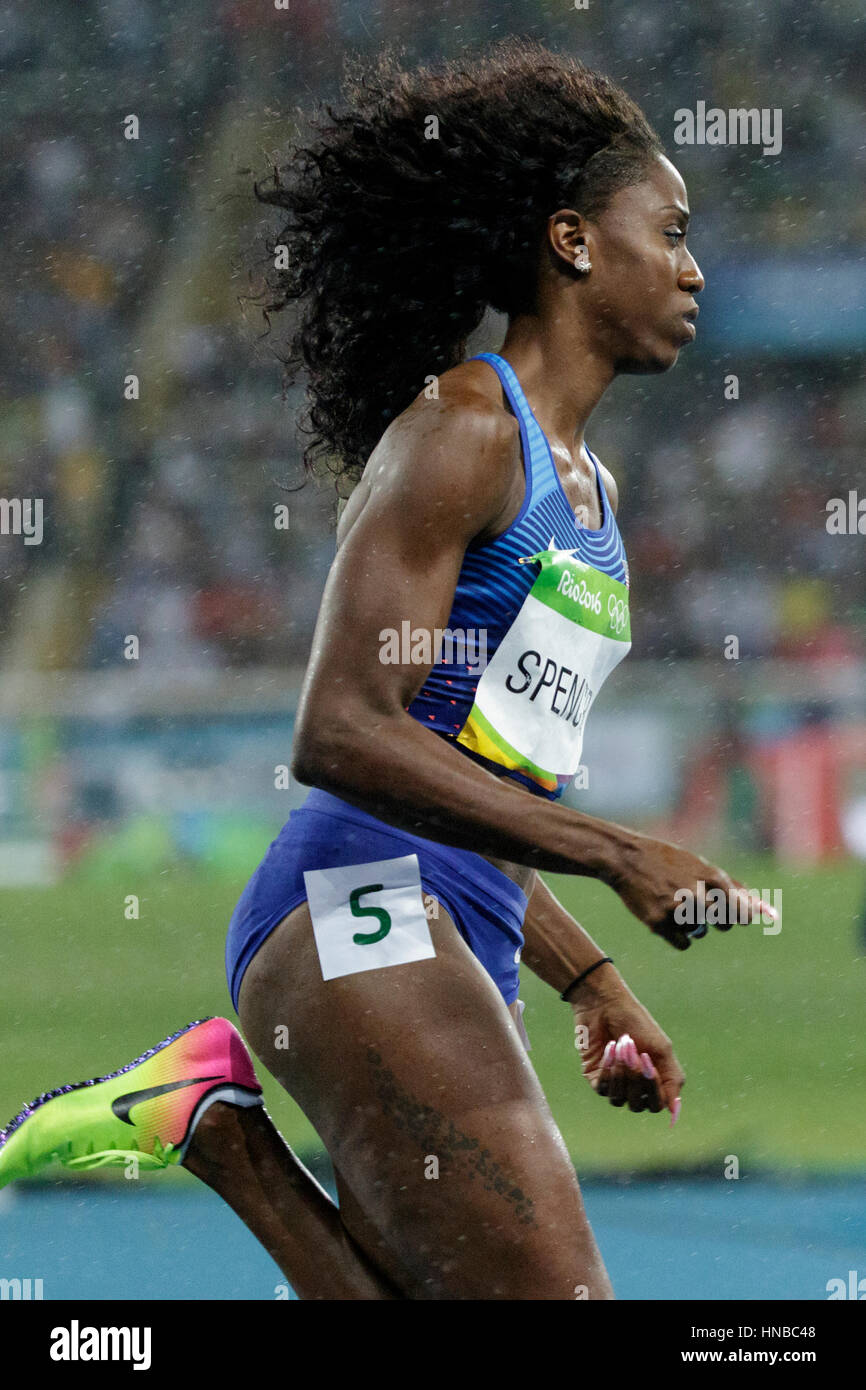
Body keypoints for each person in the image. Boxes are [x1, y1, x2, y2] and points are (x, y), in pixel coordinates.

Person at [0, 40, 774, 1300]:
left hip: (449, 912)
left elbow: (472, 777)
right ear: (572, 242)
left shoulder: (598, 493)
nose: (692, 268)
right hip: (355, 896)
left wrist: (589, 977)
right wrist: (621, 854)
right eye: (670, 230)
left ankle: (211, 1123)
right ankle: (213, 1124)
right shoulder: (465, 431)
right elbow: (342, 732)